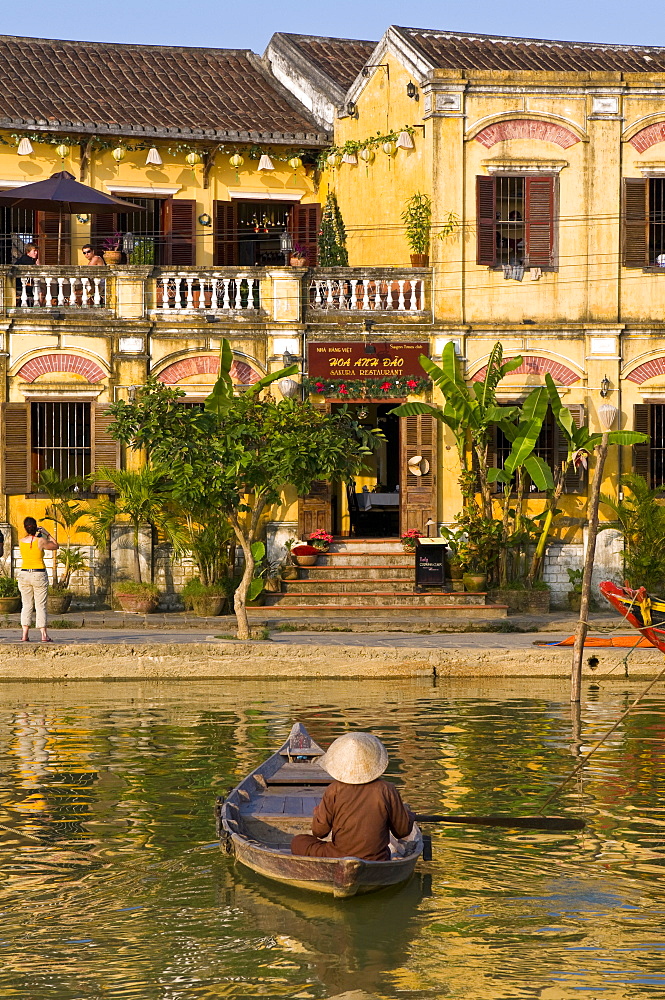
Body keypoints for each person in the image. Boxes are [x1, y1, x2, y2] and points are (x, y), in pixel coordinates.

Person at [291, 732, 415, 861]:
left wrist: (318, 814)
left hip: (338, 855)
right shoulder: (387, 789)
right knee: (387, 849)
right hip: (377, 859)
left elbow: (319, 832)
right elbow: (402, 831)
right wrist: (409, 816)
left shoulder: (334, 790)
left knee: (298, 841)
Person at [17, 517, 58, 643]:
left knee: (27, 605)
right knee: (40, 605)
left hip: (24, 574)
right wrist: (47, 533)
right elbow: (55, 545)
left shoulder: (21, 541)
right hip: (38, 573)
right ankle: (43, 635)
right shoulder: (41, 541)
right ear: (35, 527)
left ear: (25, 528)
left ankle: (25, 634)